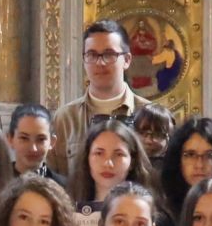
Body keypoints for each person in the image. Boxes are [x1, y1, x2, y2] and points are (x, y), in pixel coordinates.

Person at [56, 19, 169, 164]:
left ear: (127, 60)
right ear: (84, 60)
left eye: (109, 54)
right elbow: (54, 175)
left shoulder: (152, 117)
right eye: (92, 55)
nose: (100, 62)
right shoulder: (65, 119)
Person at [70, 115, 151, 226]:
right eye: (99, 153)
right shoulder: (68, 212)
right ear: (87, 158)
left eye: (118, 154)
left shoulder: (151, 216)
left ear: (132, 161)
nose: (108, 163)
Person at [8, 101, 60, 182]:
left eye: (41, 139)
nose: (33, 149)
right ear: (10, 139)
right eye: (24, 138)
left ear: (52, 142)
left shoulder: (64, 187)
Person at [131, 105, 175, 177]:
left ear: (169, 137)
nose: (148, 141)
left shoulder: (177, 169)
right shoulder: (126, 166)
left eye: (157, 134)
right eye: (142, 133)